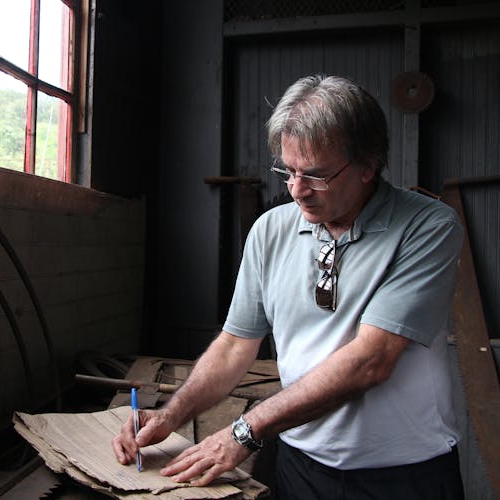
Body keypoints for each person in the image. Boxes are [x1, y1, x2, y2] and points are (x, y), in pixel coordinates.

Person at [112, 74, 465, 499]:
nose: (297, 191)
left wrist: (244, 431)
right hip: (297, 463)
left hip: (402, 474)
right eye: (288, 171)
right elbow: (234, 345)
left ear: (369, 165)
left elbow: (370, 361)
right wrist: (171, 416)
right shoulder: (271, 230)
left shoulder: (427, 227)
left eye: (316, 175)